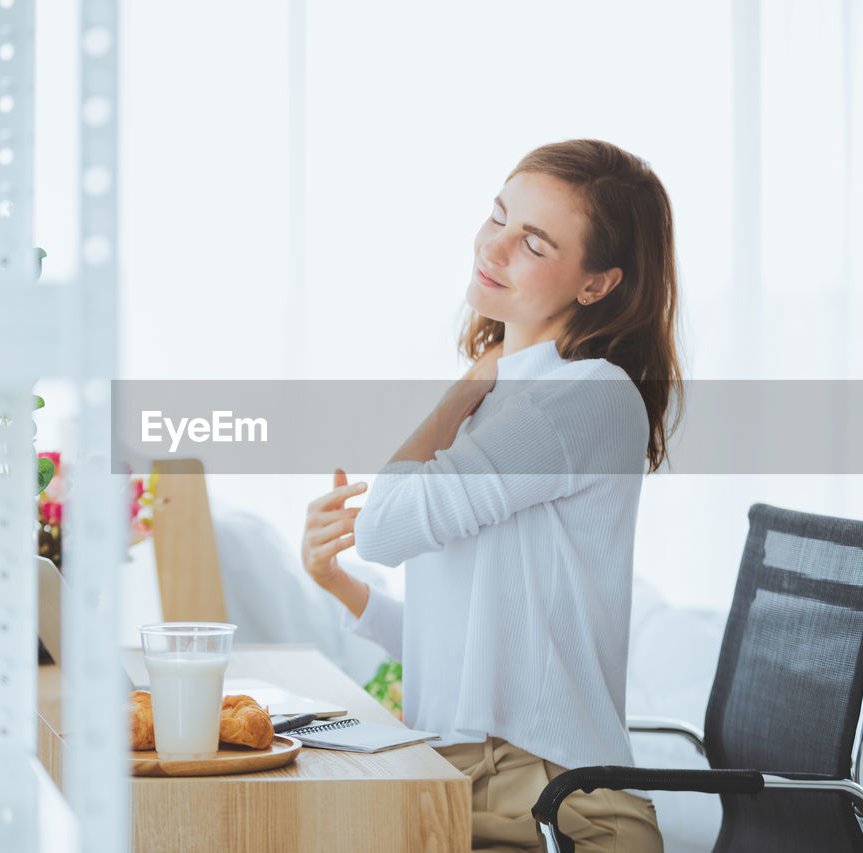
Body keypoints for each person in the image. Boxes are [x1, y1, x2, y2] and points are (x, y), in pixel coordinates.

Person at [301, 139, 682, 853]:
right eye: (498, 217)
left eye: (533, 242)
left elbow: (383, 531)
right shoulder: (512, 400)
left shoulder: (581, 397)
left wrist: (462, 391)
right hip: (472, 775)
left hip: (553, 804)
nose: (495, 248)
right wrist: (339, 584)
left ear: (596, 284)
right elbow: (463, 640)